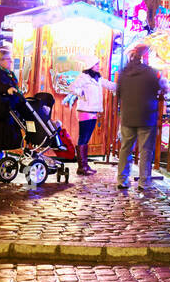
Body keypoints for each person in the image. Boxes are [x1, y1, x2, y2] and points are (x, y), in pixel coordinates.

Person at [115, 44, 164, 192]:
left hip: (128, 116)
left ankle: (122, 180)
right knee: (145, 150)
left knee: (125, 149)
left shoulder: (123, 73)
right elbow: (159, 90)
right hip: (146, 116)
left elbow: (118, 93)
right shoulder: (151, 73)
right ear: (146, 57)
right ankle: (144, 182)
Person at [70, 55, 117, 176]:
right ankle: (82, 167)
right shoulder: (84, 77)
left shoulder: (98, 78)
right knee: (83, 137)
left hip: (94, 111)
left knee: (86, 138)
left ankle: (84, 165)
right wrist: (82, 94)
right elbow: (72, 87)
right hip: (85, 111)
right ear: (90, 65)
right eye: (96, 64)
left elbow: (109, 85)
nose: (98, 66)